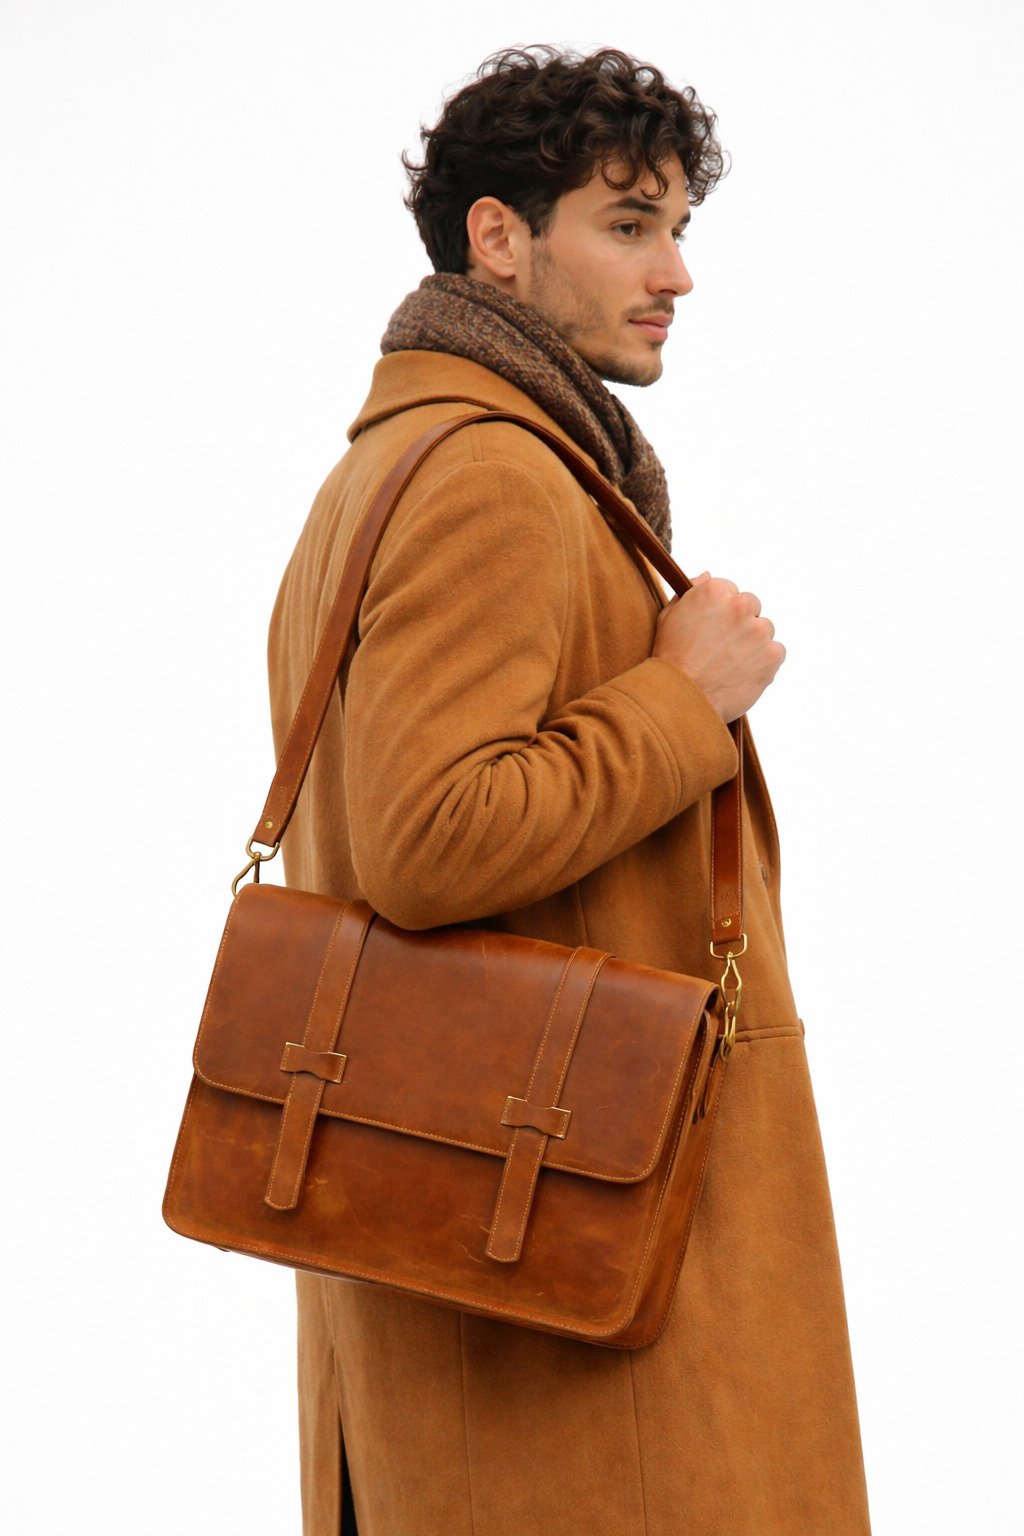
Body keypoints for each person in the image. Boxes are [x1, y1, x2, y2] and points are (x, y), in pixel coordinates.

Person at [267, 45, 871, 1536]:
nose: (676, 273)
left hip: (498, 1249)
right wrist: (683, 699)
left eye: (679, 228)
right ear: (498, 236)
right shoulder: (490, 477)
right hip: (572, 1295)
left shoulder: (394, 468)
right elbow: (430, 842)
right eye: (628, 225)